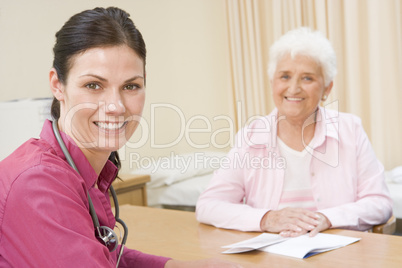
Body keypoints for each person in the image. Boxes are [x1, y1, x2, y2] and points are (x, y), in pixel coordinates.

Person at [0, 7, 242, 268]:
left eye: (130, 86)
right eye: (93, 85)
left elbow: (105, 254)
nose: (115, 106)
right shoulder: (38, 184)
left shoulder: (83, 169)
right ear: (58, 85)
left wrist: (180, 265)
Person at [196, 27, 393, 237]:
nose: (293, 88)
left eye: (307, 78)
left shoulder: (350, 129)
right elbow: (209, 205)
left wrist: (328, 218)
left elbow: (380, 203)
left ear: (327, 88)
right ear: (272, 83)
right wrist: (267, 218)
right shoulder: (251, 136)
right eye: (285, 76)